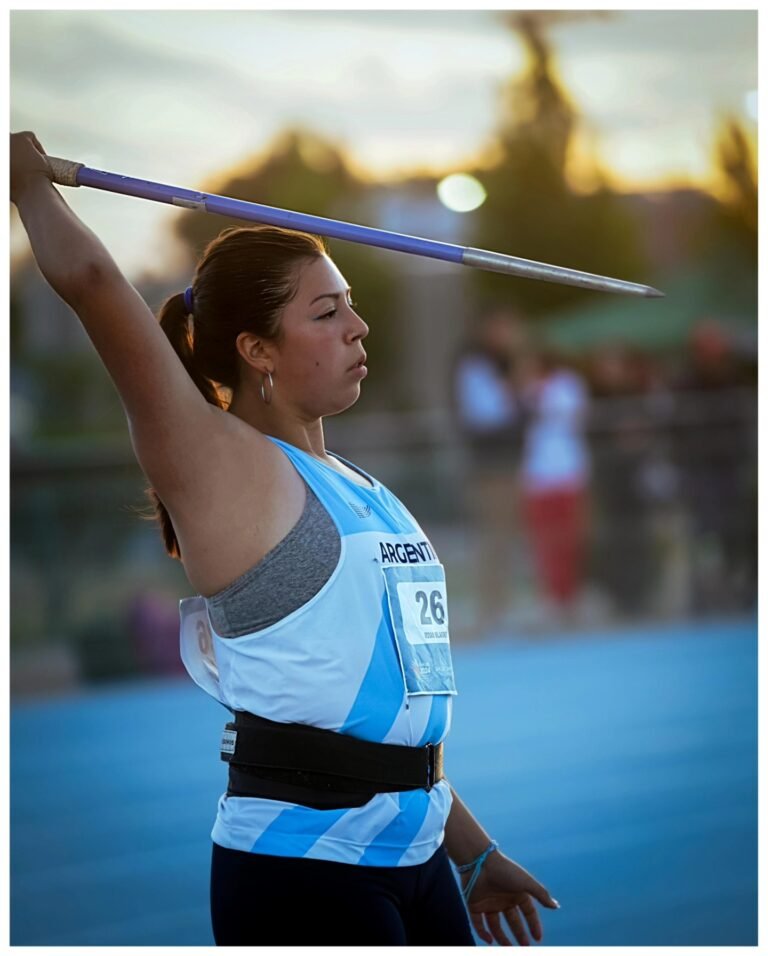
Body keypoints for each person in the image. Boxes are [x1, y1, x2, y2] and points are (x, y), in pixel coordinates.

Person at [11, 130, 560, 946]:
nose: (360, 327)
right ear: (257, 350)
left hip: (417, 861)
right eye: (328, 312)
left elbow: (388, 726)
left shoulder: (367, 491)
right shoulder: (222, 465)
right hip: (303, 875)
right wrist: (26, 183)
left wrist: (473, 855)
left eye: (352, 307)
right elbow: (93, 284)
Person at [452, 307, 529, 635]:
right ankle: (490, 610)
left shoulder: (508, 363)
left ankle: (502, 606)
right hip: (492, 464)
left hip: (515, 461)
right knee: (492, 538)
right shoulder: (475, 365)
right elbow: (483, 416)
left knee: (509, 538)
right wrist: (515, 401)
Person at [519, 348, 591, 627]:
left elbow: (574, 416)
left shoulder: (567, 384)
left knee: (569, 539)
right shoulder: (526, 389)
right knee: (543, 541)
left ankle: (571, 597)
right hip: (538, 476)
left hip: (568, 472)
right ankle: (549, 598)